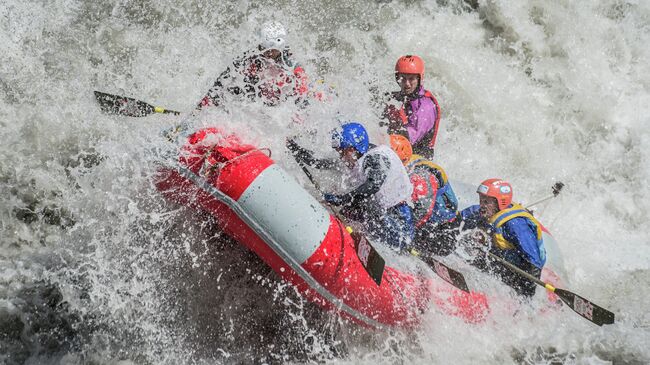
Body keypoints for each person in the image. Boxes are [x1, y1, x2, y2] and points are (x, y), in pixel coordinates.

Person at [286, 122, 415, 251]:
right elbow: (318, 163)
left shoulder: (377, 158)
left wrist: (342, 199)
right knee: (348, 208)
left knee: (363, 203)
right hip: (382, 214)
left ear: (352, 149)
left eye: (342, 152)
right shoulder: (356, 158)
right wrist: (295, 148)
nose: (340, 156)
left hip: (399, 222)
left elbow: (373, 185)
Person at [456, 179, 547, 298]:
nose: (482, 205)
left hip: (517, 269)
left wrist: (527, 293)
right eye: (481, 200)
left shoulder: (516, 225)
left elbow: (534, 260)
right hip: (496, 256)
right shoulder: (480, 212)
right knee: (469, 242)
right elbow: (456, 222)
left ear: (499, 203)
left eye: (487, 202)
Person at [198, 21, 309, 109]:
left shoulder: (291, 64)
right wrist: (202, 107)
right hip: (255, 99)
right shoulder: (247, 60)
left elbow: (303, 92)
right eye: (266, 50)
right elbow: (220, 85)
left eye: (274, 51)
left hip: (279, 103)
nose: (269, 55)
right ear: (259, 46)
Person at [389, 134, 459, 256]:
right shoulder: (407, 162)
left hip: (442, 230)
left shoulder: (419, 175)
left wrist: (407, 233)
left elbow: (424, 210)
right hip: (428, 219)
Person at [381, 55, 441, 158]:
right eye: (403, 78)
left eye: (411, 79)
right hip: (398, 153)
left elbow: (409, 138)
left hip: (417, 162)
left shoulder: (426, 107)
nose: (407, 84)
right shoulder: (395, 98)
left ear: (419, 79)